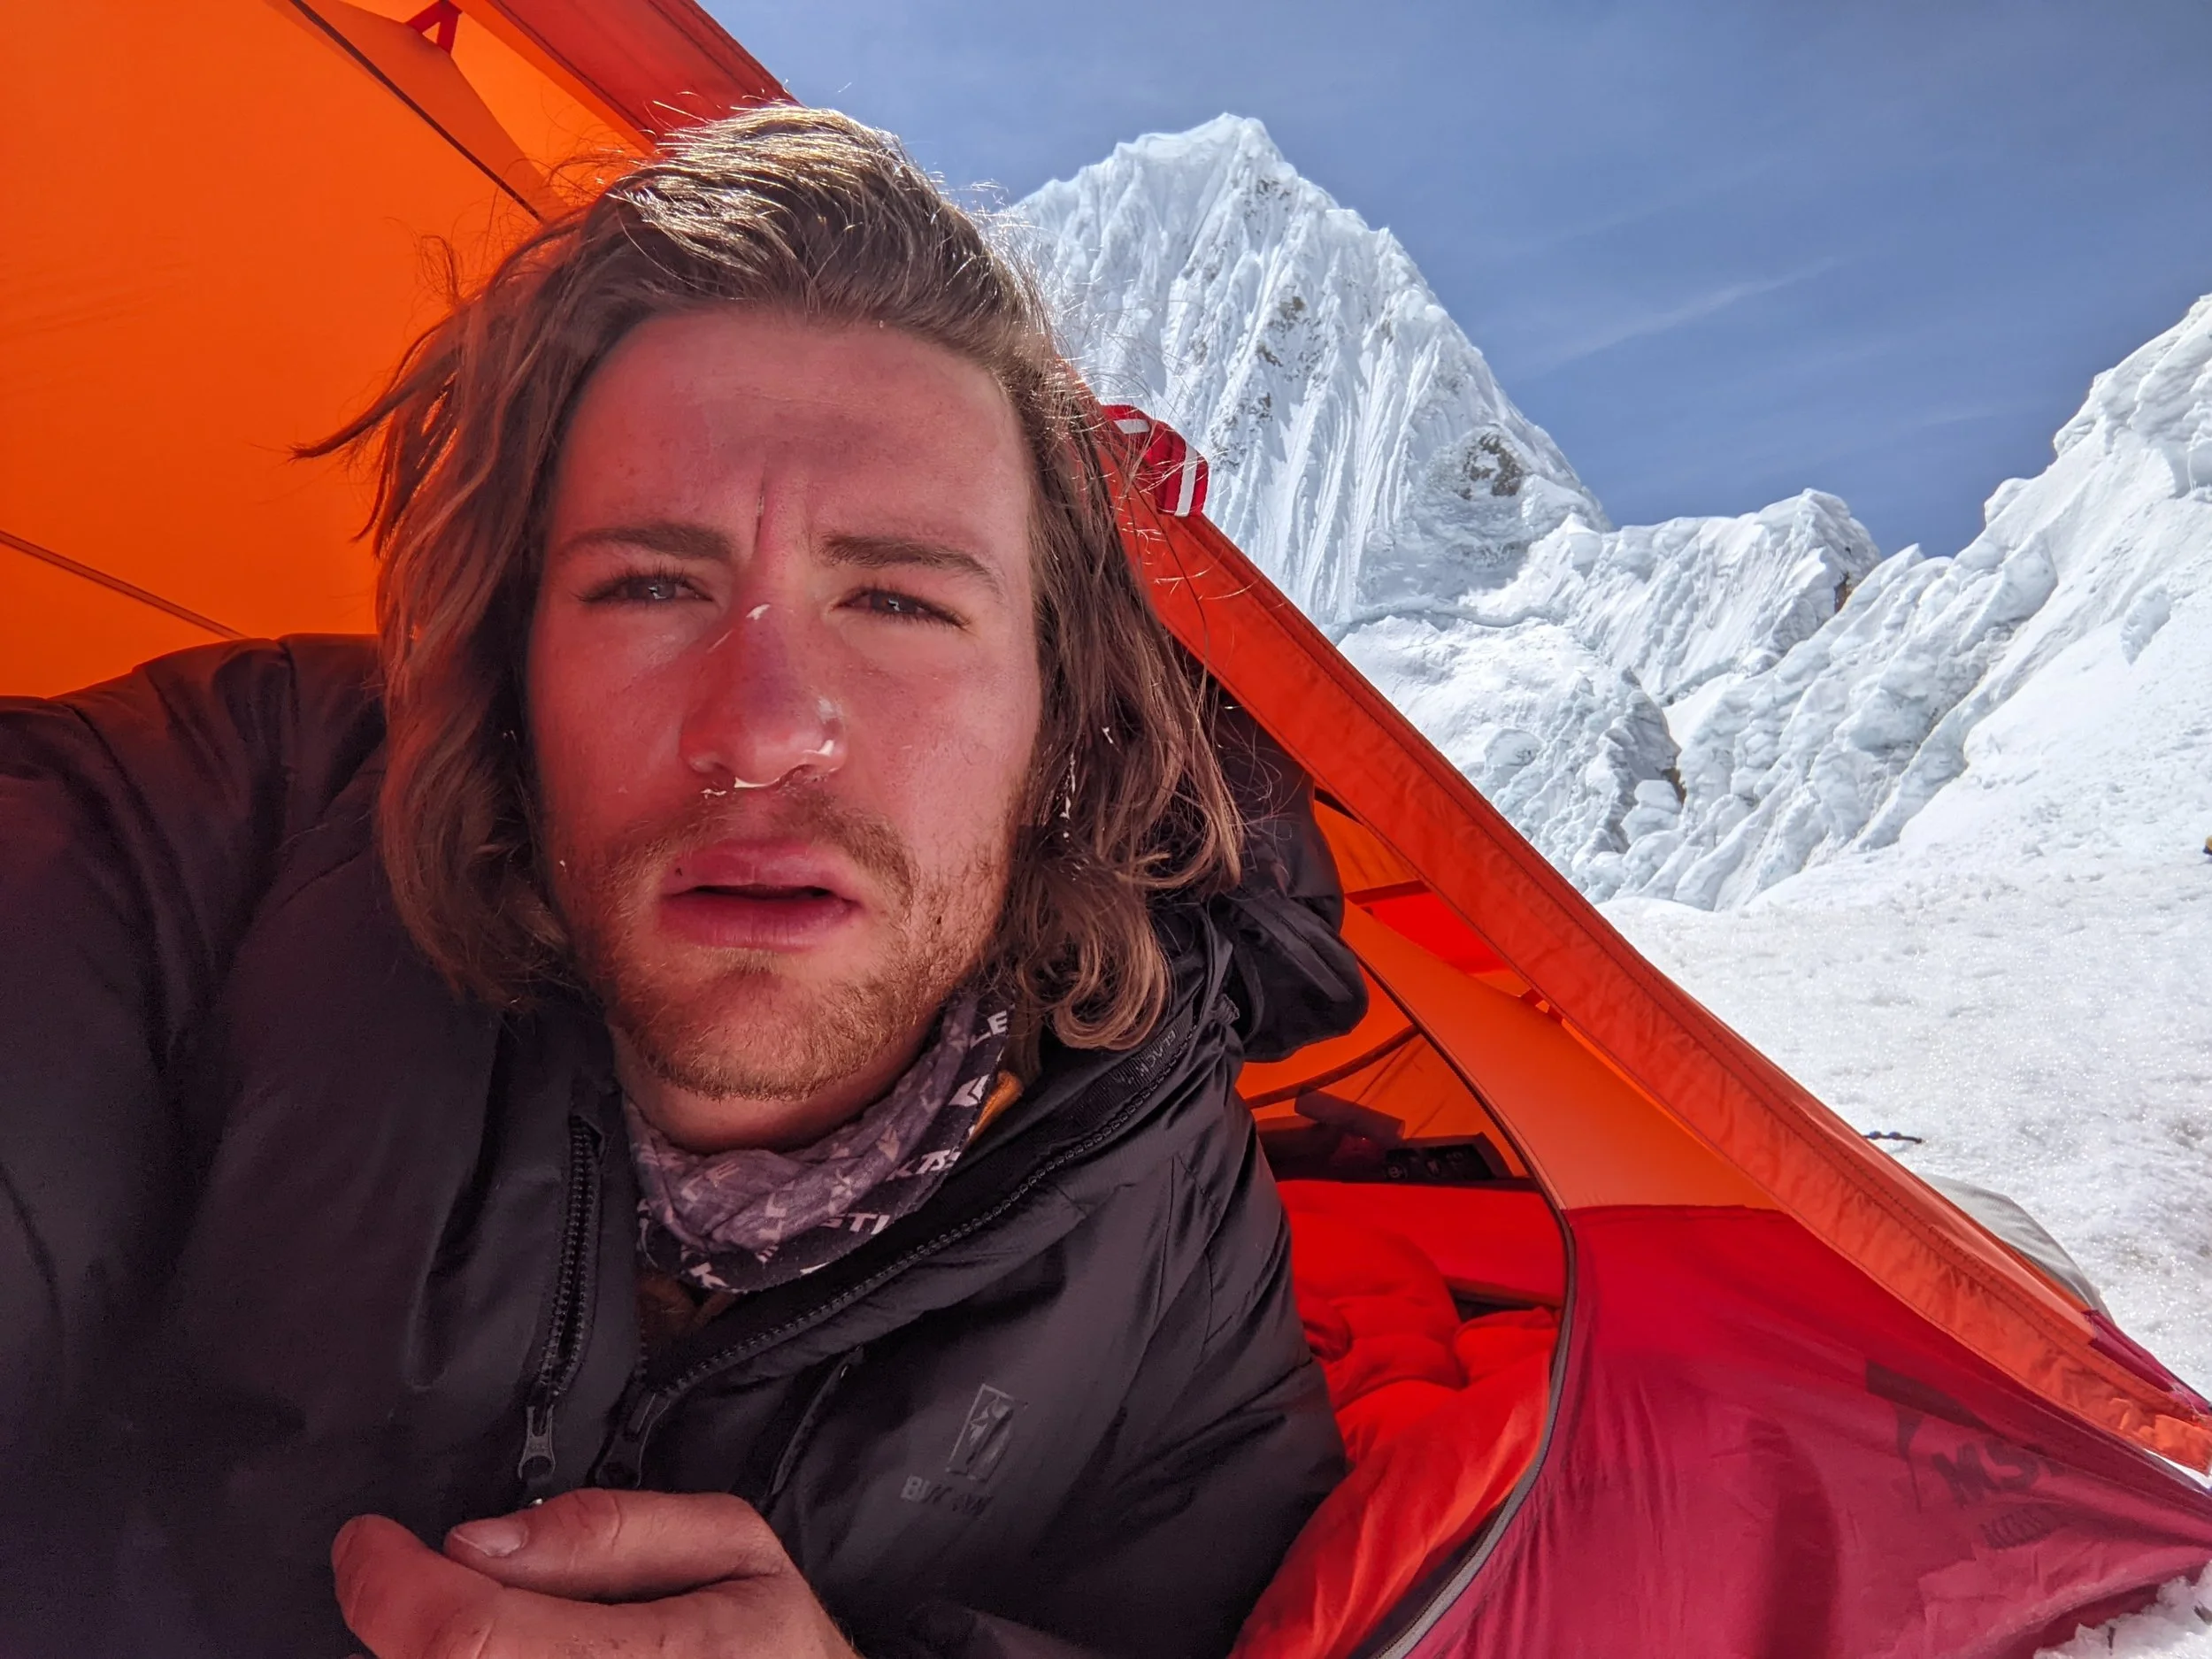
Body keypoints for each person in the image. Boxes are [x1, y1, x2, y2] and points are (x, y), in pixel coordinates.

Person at [0, 109, 1367, 1659]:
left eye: (900, 601)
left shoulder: (1164, 1230)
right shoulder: (205, 838)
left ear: (1055, 713)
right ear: (511, 665)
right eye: (650, 584)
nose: (762, 727)